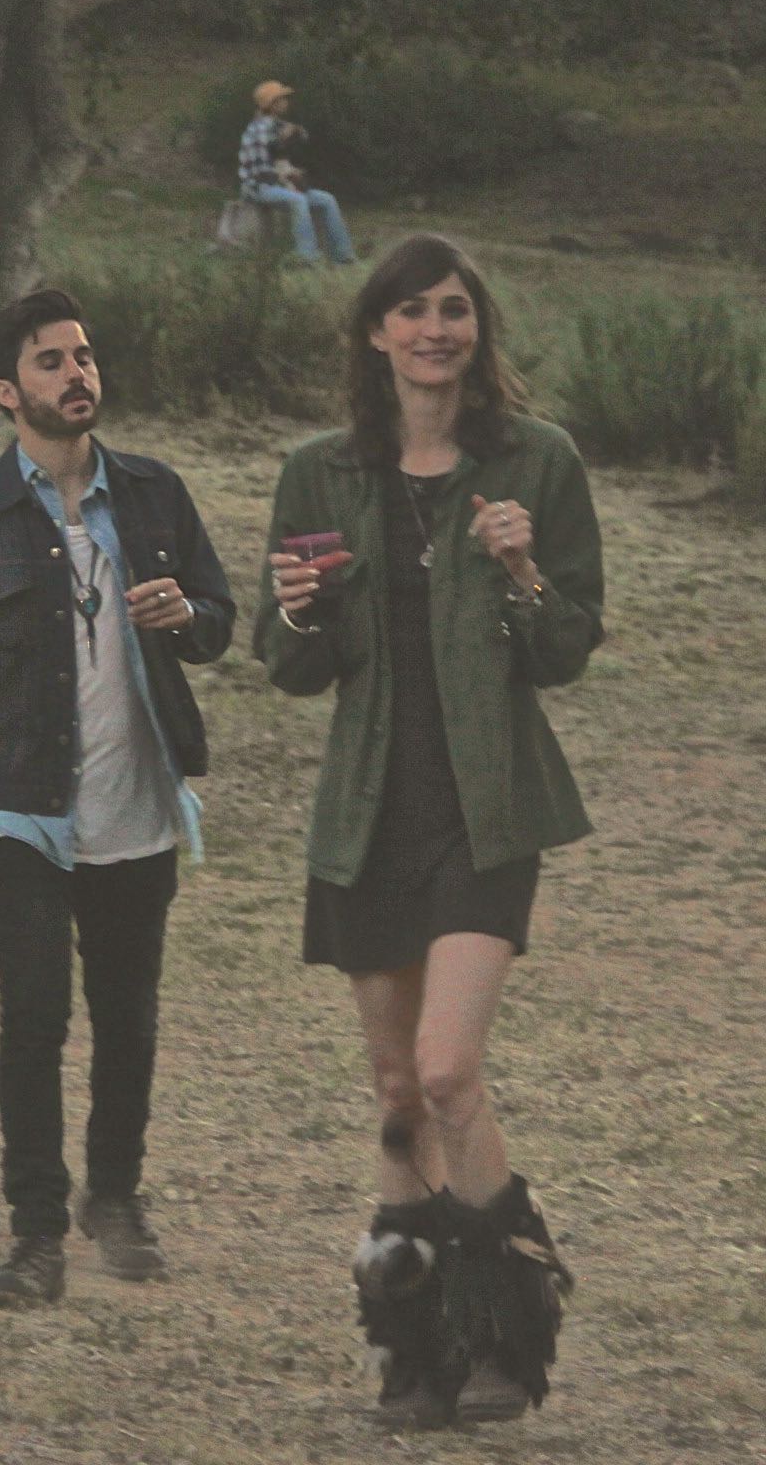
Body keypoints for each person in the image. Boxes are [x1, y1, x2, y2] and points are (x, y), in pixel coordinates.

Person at [256, 234, 602, 1429]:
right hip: (368, 814)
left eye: (453, 310)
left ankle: (512, 1328)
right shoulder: (320, 474)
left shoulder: (537, 464)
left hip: (486, 811)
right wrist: (300, 613)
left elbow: (567, 649)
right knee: (400, 1091)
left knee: (450, 1068)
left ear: (477, 329)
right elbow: (291, 665)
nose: (434, 331)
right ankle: (414, 1348)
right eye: (410, 312)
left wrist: (523, 571)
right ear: (375, 334)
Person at [0, 288, 235, 1307]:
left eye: (82, 355)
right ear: (8, 392)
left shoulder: (156, 494)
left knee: (128, 1020)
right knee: (34, 1016)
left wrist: (187, 616)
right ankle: (36, 1232)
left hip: (136, 803)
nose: (77, 373)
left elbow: (218, 620)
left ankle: (114, 1197)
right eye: (50, 361)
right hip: (16, 808)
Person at [239, 80, 357, 266]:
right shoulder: (260, 128)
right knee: (299, 200)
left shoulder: (276, 124)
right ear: (273, 104)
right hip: (258, 187)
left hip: (279, 184)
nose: (287, 102)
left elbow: (302, 136)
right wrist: (288, 175)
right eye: (282, 99)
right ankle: (307, 257)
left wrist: (294, 133)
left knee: (327, 200)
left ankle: (343, 256)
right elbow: (260, 173)